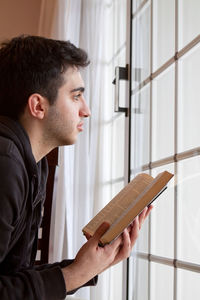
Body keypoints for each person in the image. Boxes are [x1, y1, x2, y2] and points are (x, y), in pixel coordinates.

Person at [0, 35, 152, 300]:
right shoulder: (5, 164)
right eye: (76, 96)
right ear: (38, 105)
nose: (87, 111)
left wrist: (89, 266)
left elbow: (12, 277)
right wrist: (76, 274)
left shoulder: (34, 163)